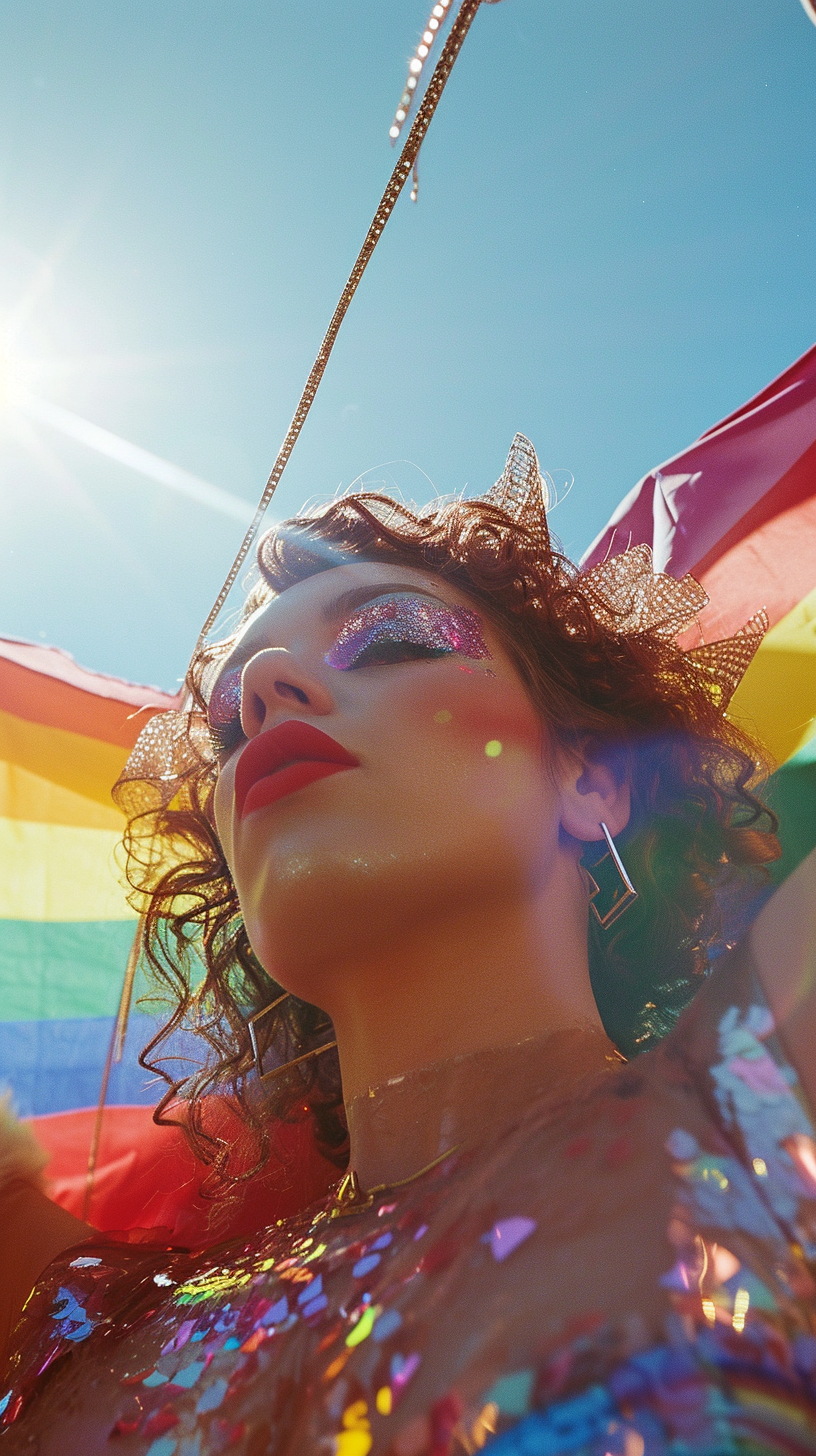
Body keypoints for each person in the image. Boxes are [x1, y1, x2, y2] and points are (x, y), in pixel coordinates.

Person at [0, 435, 815, 1456]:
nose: (265, 694)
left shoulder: (765, 1093)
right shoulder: (85, 1338)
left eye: (390, 640)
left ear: (593, 778)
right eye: (227, 718)